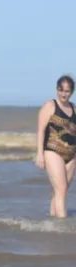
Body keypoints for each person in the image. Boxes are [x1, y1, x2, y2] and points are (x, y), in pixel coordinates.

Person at [35, 75, 76, 218]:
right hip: (53, 152)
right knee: (62, 189)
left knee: (58, 191)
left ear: (72, 92)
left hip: (71, 156)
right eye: (61, 90)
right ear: (57, 89)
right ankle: (63, 224)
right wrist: (40, 154)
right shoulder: (50, 106)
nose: (63, 94)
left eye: (67, 91)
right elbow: (40, 130)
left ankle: (53, 222)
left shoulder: (74, 108)